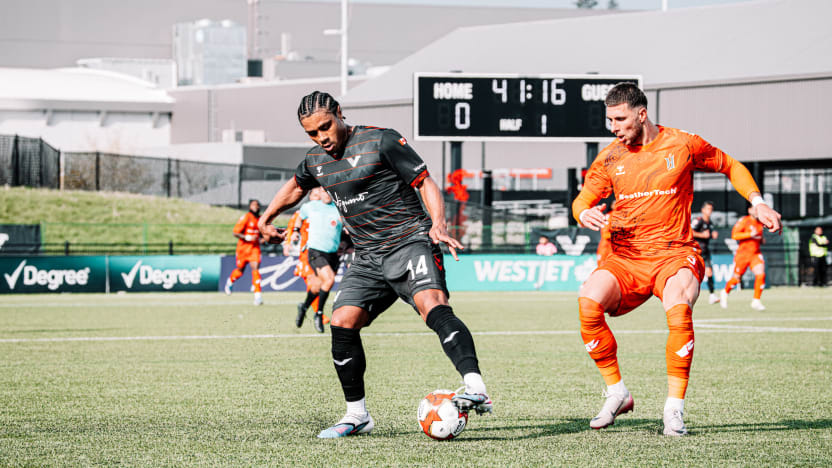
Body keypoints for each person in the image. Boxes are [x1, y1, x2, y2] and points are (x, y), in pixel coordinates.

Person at [258, 91, 492, 439]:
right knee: (342, 321)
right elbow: (296, 186)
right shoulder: (315, 160)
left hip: (409, 241)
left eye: (325, 127)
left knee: (433, 305)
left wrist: (438, 224)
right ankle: (357, 415)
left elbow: (425, 182)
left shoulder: (381, 140)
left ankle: (475, 386)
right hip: (367, 256)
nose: (322, 137)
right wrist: (266, 218)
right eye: (312, 133)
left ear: (339, 114)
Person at [572, 83, 781, 436]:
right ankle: (617, 392)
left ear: (642, 114)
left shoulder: (682, 144)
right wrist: (582, 213)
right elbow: (583, 199)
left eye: (620, 119)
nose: (613, 127)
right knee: (587, 302)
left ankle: (673, 409)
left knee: (679, 307)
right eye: (609, 120)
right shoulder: (609, 157)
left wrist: (757, 201)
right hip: (627, 258)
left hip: (675, 253)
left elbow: (730, 165)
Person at [294, 187, 343, 333]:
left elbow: (345, 224)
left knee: (316, 286)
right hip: (315, 251)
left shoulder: (338, 208)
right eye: (324, 191)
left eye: (329, 191)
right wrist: (296, 231)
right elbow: (299, 217)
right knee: (329, 280)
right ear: (320, 193)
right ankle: (319, 313)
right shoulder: (311, 207)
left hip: (333, 253)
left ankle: (303, 307)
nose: (327, 194)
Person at [721, 204, 767, 311]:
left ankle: (756, 300)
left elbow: (759, 237)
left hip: (755, 253)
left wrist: (761, 240)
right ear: (749, 210)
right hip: (743, 254)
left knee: (761, 274)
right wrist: (749, 234)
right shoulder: (744, 220)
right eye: (754, 209)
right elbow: (734, 235)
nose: (756, 212)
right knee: (736, 278)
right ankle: (725, 291)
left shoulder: (760, 223)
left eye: (757, 210)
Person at [224, 199, 264, 305]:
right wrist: (246, 237)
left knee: (255, 269)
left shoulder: (261, 219)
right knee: (240, 270)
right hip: (243, 249)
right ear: (250, 207)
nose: (256, 207)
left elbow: (262, 235)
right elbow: (235, 232)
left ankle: (257, 296)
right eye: (253, 205)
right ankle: (230, 281)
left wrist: (264, 239)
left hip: (254, 248)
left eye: (257, 205)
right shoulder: (246, 217)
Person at [691, 201, 719, 304]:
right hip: (695, 251)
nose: (709, 211)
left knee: (709, 272)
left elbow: (707, 235)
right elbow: (689, 231)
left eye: (711, 209)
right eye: (707, 209)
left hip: (705, 252)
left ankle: (712, 295)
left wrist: (713, 235)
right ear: (703, 210)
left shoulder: (710, 223)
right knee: (692, 275)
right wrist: (702, 235)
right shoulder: (698, 221)